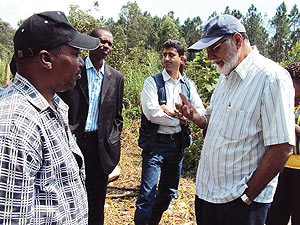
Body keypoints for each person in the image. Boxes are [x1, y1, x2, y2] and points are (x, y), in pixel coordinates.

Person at [175, 14, 295, 225]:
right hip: (208, 194)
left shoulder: (271, 78)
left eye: (215, 48)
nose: (209, 56)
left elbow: (282, 146)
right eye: (207, 50)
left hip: (241, 204)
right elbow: (215, 127)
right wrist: (198, 119)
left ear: (238, 40)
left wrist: (247, 196)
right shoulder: (225, 77)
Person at [0, 11, 100, 224]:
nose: (81, 63)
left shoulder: (49, 105)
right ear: (46, 59)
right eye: (75, 54)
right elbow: (11, 218)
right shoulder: (16, 124)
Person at [134, 40, 205, 225]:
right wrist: (181, 118)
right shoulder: (152, 82)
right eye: (164, 54)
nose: (166, 58)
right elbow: (152, 114)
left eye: (171, 55)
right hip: (155, 144)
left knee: (168, 192)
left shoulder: (188, 85)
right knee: (147, 193)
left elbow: (200, 112)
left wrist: (172, 112)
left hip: (177, 145)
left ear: (181, 59)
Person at [58, 27, 124, 225]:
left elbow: (117, 117)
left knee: (97, 199)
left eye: (109, 43)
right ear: (89, 43)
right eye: (102, 41)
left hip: (100, 146)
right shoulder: (73, 71)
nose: (106, 46)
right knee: (70, 195)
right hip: (73, 143)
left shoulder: (116, 78)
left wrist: (112, 140)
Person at [266, 62, 300, 225]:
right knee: (275, 215)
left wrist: (288, 124)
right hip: (280, 168)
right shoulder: (283, 103)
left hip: (298, 171)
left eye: (292, 84)